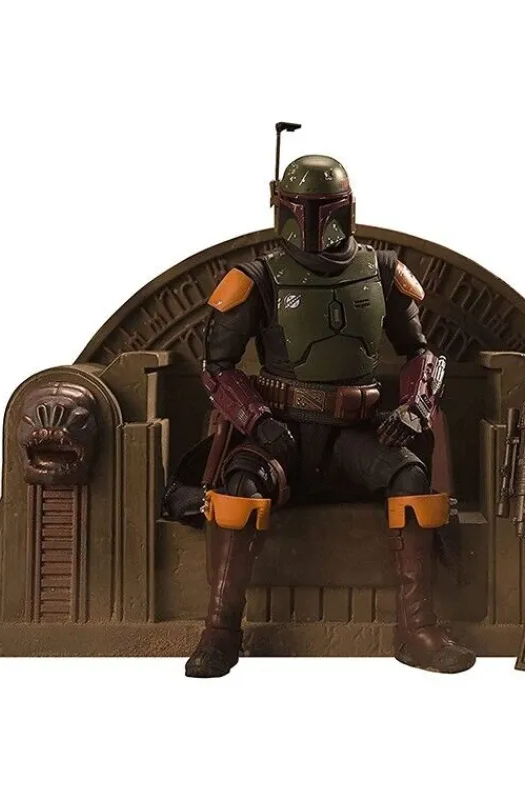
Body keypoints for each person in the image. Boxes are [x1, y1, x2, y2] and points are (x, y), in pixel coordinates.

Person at [179, 153, 476, 678]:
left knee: (410, 475)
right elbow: (217, 367)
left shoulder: (383, 271)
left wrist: (413, 409)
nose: (316, 224)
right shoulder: (256, 278)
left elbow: (421, 353)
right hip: (281, 435)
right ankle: (221, 631)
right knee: (241, 485)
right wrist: (257, 420)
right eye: (304, 209)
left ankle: (417, 629)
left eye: (326, 209)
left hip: (354, 434)